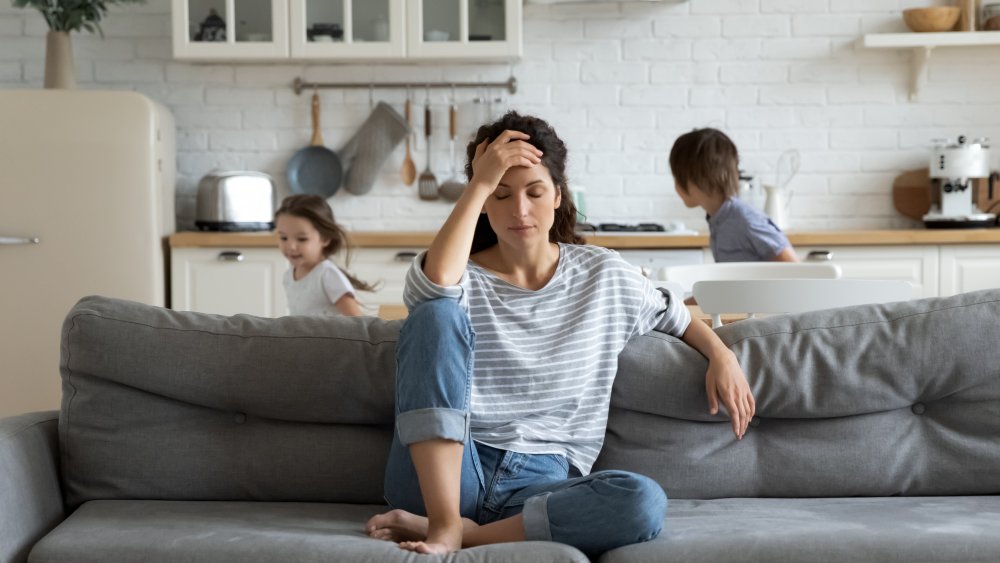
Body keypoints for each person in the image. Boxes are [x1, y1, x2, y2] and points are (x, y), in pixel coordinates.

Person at [365, 112, 756, 556]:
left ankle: (460, 533)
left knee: (642, 501)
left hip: (541, 483)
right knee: (434, 314)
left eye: (534, 192)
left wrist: (722, 355)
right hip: (447, 467)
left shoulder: (603, 275)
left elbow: (679, 319)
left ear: (557, 195)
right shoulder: (459, 275)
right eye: (500, 193)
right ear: (483, 201)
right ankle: (443, 519)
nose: (519, 210)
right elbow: (434, 286)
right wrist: (478, 180)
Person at [669, 128, 797, 262]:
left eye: (678, 177)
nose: (676, 185)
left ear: (703, 178)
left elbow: (795, 269)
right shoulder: (718, 218)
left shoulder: (746, 220)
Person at [273, 194, 373, 317]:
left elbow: (358, 320)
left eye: (302, 239)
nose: (291, 246)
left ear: (325, 238)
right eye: (284, 237)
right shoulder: (289, 275)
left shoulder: (327, 275)